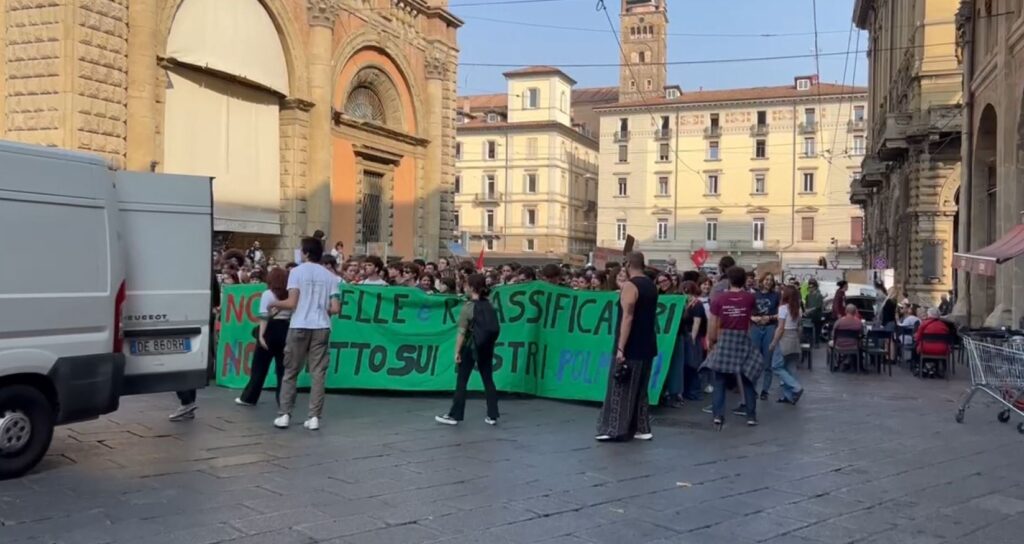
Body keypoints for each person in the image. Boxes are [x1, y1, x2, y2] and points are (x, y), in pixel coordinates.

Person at [271, 237, 341, 431]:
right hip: (322, 326)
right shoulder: (330, 276)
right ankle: (314, 417)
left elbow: (291, 303)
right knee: (318, 374)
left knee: (290, 371)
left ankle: (285, 414)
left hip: (300, 324)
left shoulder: (296, 272)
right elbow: (335, 308)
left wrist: (273, 303)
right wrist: (323, 309)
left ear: (306, 252)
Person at [596, 252, 658, 442]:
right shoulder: (650, 285)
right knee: (640, 390)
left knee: (620, 387)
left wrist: (621, 347)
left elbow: (628, 317)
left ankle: (614, 429)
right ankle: (642, 428)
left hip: (631, 344)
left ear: (628, 264)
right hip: (648, 343)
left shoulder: (631, 286)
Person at [702, 266, 763, 429]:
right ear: (744, 280)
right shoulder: (750, 298)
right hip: (742, 338)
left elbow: (713, 323)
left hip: (724, 338)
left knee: (719, 379)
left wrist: (712, 341)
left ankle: (717, 415)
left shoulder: (719, 299)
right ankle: (751, 416)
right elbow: (753, 317)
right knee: (747, 378)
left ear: (729, 280)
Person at [435, 274, 500, 426]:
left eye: (465, 285)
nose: (464, 288)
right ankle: (492, 415)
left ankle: (455, 415)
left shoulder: (468, 307)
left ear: (471, 287)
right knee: (488, 379)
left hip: (471, 346)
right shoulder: (491, 304)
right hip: (487, 346)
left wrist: (457, 351)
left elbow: (462, 332)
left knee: (462, 380)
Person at [236, 267, 291, 407]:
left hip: (270, 330)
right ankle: (283, 400)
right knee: (283, 369)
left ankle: (249, 397)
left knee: (259, 368)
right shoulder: (291, 295)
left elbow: (264, 317)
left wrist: (261, 336)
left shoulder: (268, 294)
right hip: (286, 330)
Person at [169, 274, 220, 422]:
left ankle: (186, 402)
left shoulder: (179, 274)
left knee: (176, 362)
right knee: (191, 360)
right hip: (202, 317)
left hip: (182, 317)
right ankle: (188, 404)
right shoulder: (206, 272)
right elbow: (216, 298)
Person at [768, 285, 804, 405]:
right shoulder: (798, 309)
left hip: (784, 338)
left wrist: (773, 342)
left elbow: (781, 328)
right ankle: (789, 396)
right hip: (794, 337)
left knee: (776, 366)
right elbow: (799, 327)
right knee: (790, 367)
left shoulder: (783, 308)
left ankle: (796, 387)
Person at [750, 274, 780, 400]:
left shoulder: (776, 295)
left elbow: (780, 313)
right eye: (767, 279)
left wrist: (770, 317)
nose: (769, 282)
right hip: (756, 327)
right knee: (754, 359)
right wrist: (753, 318)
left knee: (768, 360)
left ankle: (765, 390)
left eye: (771, 280)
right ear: (762, 281)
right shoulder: (754, 295)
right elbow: (748, 311)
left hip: (769, 327)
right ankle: (752, 388)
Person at [679, 281, 707, 402]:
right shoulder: (686, 303)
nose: (686, 294)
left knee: (693, 364)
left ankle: (694, 391)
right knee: (688, 364)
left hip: (692, 336)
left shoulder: (697, 304)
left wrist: (693, 339)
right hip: (687, 335)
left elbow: (697, 323)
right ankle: (689, 391)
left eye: (688, 292)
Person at [915, 308, 952, 377]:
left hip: (926, 348)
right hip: (942, 349)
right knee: (937, 346)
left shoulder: (924, 324)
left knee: (917, 347)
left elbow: (917, 338)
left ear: (929, 315)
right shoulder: (944, 326)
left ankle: (922, 368)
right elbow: (948, 339)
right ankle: (938, 369)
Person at [804, 279, 824, 347]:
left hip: (817, 315)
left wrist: (810, 309)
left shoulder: (819, 295)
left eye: (811, 287)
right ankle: (810, 342)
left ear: (815, 287)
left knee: (817, 329)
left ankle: (817, 342)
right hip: (809, 315)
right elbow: (806, 305)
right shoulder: (808, 296)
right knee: (809, 329)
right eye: (809, 286)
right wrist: (806, 311)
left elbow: (819, 306)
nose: (810, 288)